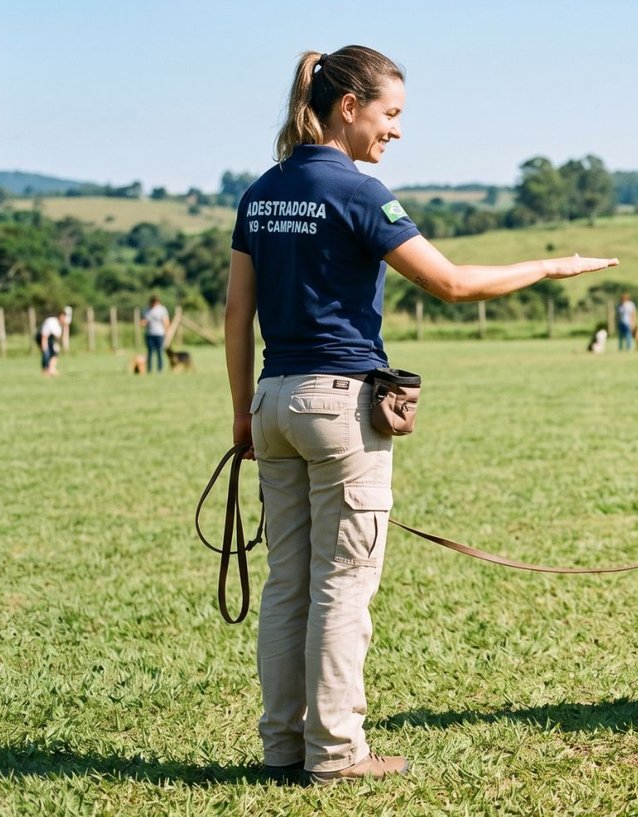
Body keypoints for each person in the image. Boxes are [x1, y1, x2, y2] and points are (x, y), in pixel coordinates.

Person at [224, 45, 616, 786]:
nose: (396, 131)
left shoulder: (260, 191)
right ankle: (338, 753)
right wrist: (550, 266)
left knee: (286, 585)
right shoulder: (363, 194)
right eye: (390, 114)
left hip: (273, 402)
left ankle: (283, 745)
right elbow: (454, 284)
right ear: (349, 107)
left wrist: (242, 412)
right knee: (342, 584)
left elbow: (237, 312)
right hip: (340, 405)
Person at [37, 307, 71, 376]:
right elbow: (46, 336)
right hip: (42, 337)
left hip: (49, 338)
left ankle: (51, 369)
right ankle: (45, 371)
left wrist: (65, 327)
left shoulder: (58, 326)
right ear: (61, 316)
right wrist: (44, 346)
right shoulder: (52, 322)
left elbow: (60, 338)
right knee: (46, 353)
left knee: (55, 353)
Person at [140, 295, 170, 373]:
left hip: (159, 333)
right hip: (149, 334)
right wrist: (143, 323)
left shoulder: (162, 309)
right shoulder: (146, 309)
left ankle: (160, 369)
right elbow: (144, 321)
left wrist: (166, 332)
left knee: (160, 352)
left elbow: (166, 321)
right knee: (150, 352)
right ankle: (149, 369)